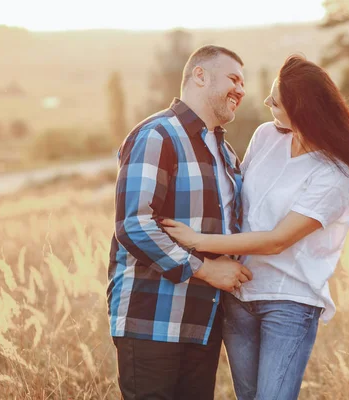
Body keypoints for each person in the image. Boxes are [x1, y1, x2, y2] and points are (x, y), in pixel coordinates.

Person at [161, 54, 349, 400]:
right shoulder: (266, 136)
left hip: (289, 301)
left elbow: (278, 241)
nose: (264, 103)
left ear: (302, 109)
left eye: (274, 101)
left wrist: (200, 241)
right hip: (240, 294)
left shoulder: (333, 172)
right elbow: (237, 198)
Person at [107, 45, 253, 400]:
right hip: (153, 321)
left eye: (243, 83)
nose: (241, 90)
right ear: (200, 76)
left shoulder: (226, 153)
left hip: (203, 324)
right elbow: (135, 224)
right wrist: (206, 270)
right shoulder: (158, 134)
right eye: (233, 78)